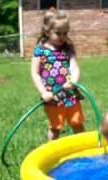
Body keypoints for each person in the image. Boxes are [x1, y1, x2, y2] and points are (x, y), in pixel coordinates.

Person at [31, 8, 85, 140]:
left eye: (65, 33)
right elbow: (35, 73)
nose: (62, 36)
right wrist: (44, 93)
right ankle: (52, 154)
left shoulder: (68, 48)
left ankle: (84, 151)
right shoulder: (40, 50)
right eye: (58, 33)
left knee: (77, 123)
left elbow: (74, 68)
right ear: (47, 31)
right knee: (55, 127)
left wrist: (73, 82)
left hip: (70, 95)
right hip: (52, 97)